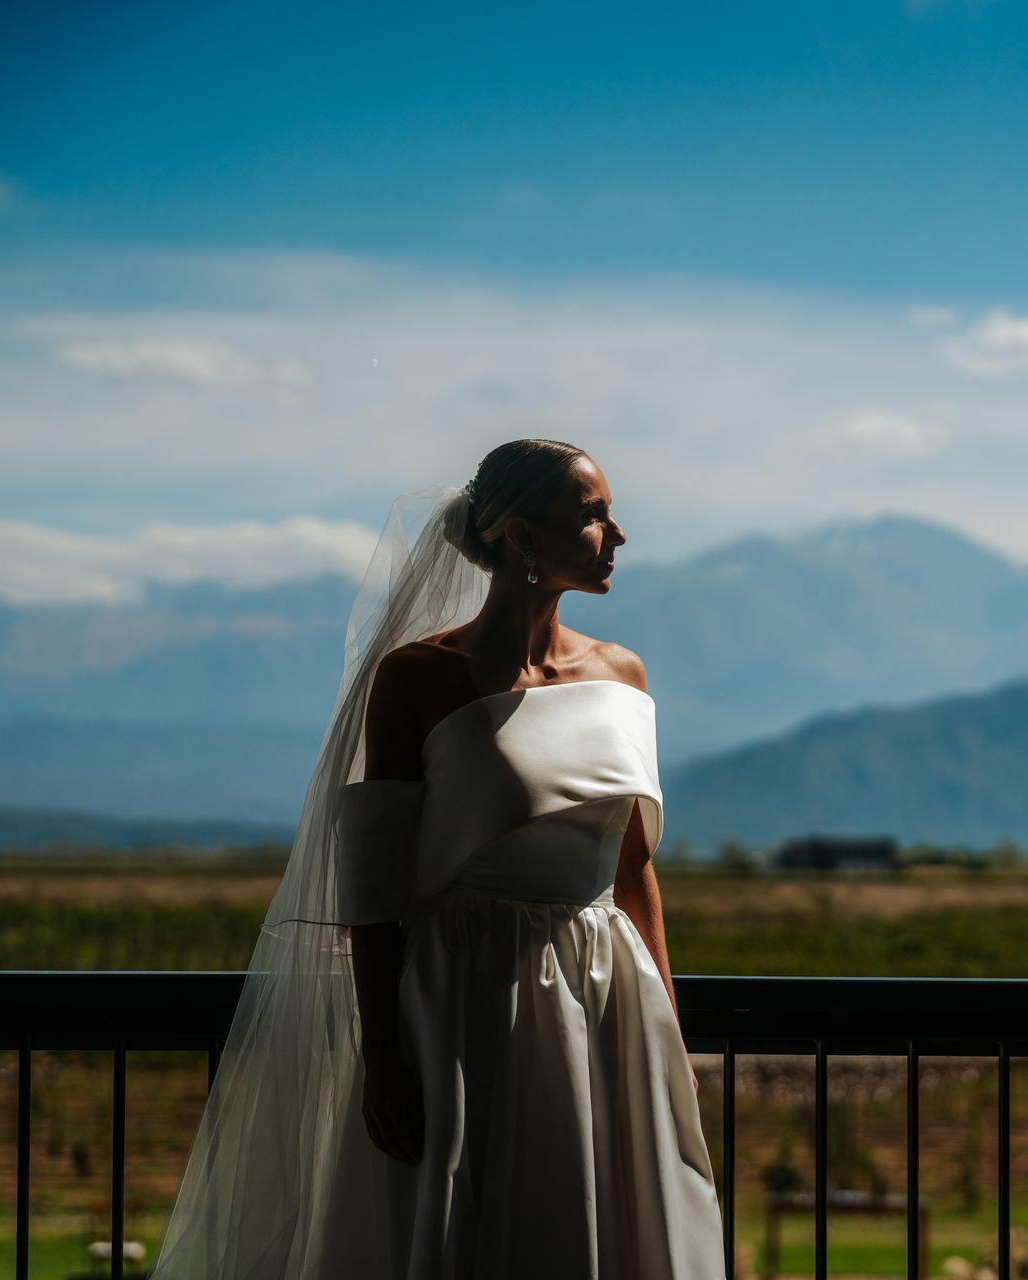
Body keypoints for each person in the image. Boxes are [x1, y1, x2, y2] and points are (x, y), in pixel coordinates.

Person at [151, 439, 729, 1278]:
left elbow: (635, 870)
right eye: (594, 516)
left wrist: (667, 1034)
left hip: (607, 996)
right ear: (524, 536)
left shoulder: (623, 676)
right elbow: (374, 882)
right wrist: (384, 1051)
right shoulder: (417, 678)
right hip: (463, 994)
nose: (619, 536)